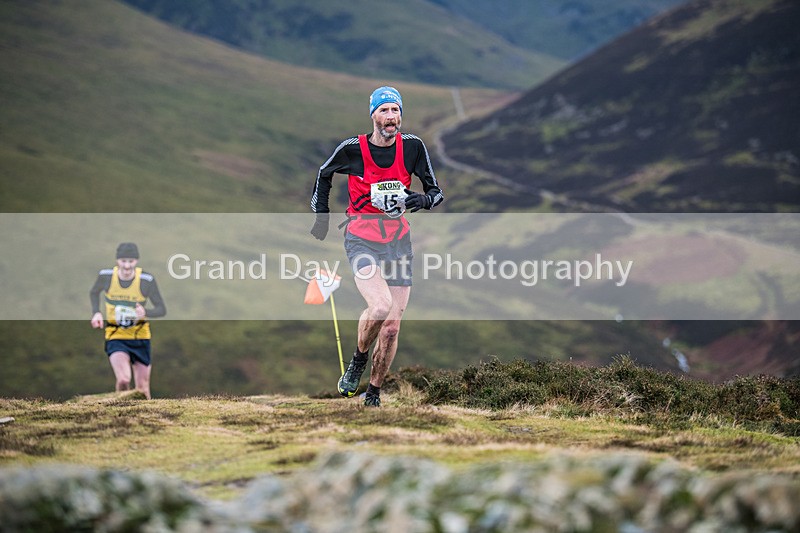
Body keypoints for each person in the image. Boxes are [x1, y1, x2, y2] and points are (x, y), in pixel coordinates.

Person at [310, 86, 444, 407]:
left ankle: (373, 393)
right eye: (384, 111)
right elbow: (324, 173)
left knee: (392, 328)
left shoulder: (412, 147)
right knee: (381, 307)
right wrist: (322, 217)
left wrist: (423, 199)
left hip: (398, 242)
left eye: (395, 111)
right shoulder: (353, 149)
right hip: (361, 237)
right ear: (373, 115)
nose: (391, 117)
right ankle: (358, 360)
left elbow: (435, 191)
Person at [89, 242, 166, 399]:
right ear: (117, 261)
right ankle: (120, 413)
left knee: (142, 389)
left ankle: (146, 420)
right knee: (124, 379)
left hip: (141, 337)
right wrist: (96, 313)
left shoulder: (146, 280)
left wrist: (145, 312)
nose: (126, 266)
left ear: (136, 261)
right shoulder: (106, 276)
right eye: (123, 261)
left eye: (130, 261)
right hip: (116, 336)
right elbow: (94, 292)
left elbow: (161, 309)